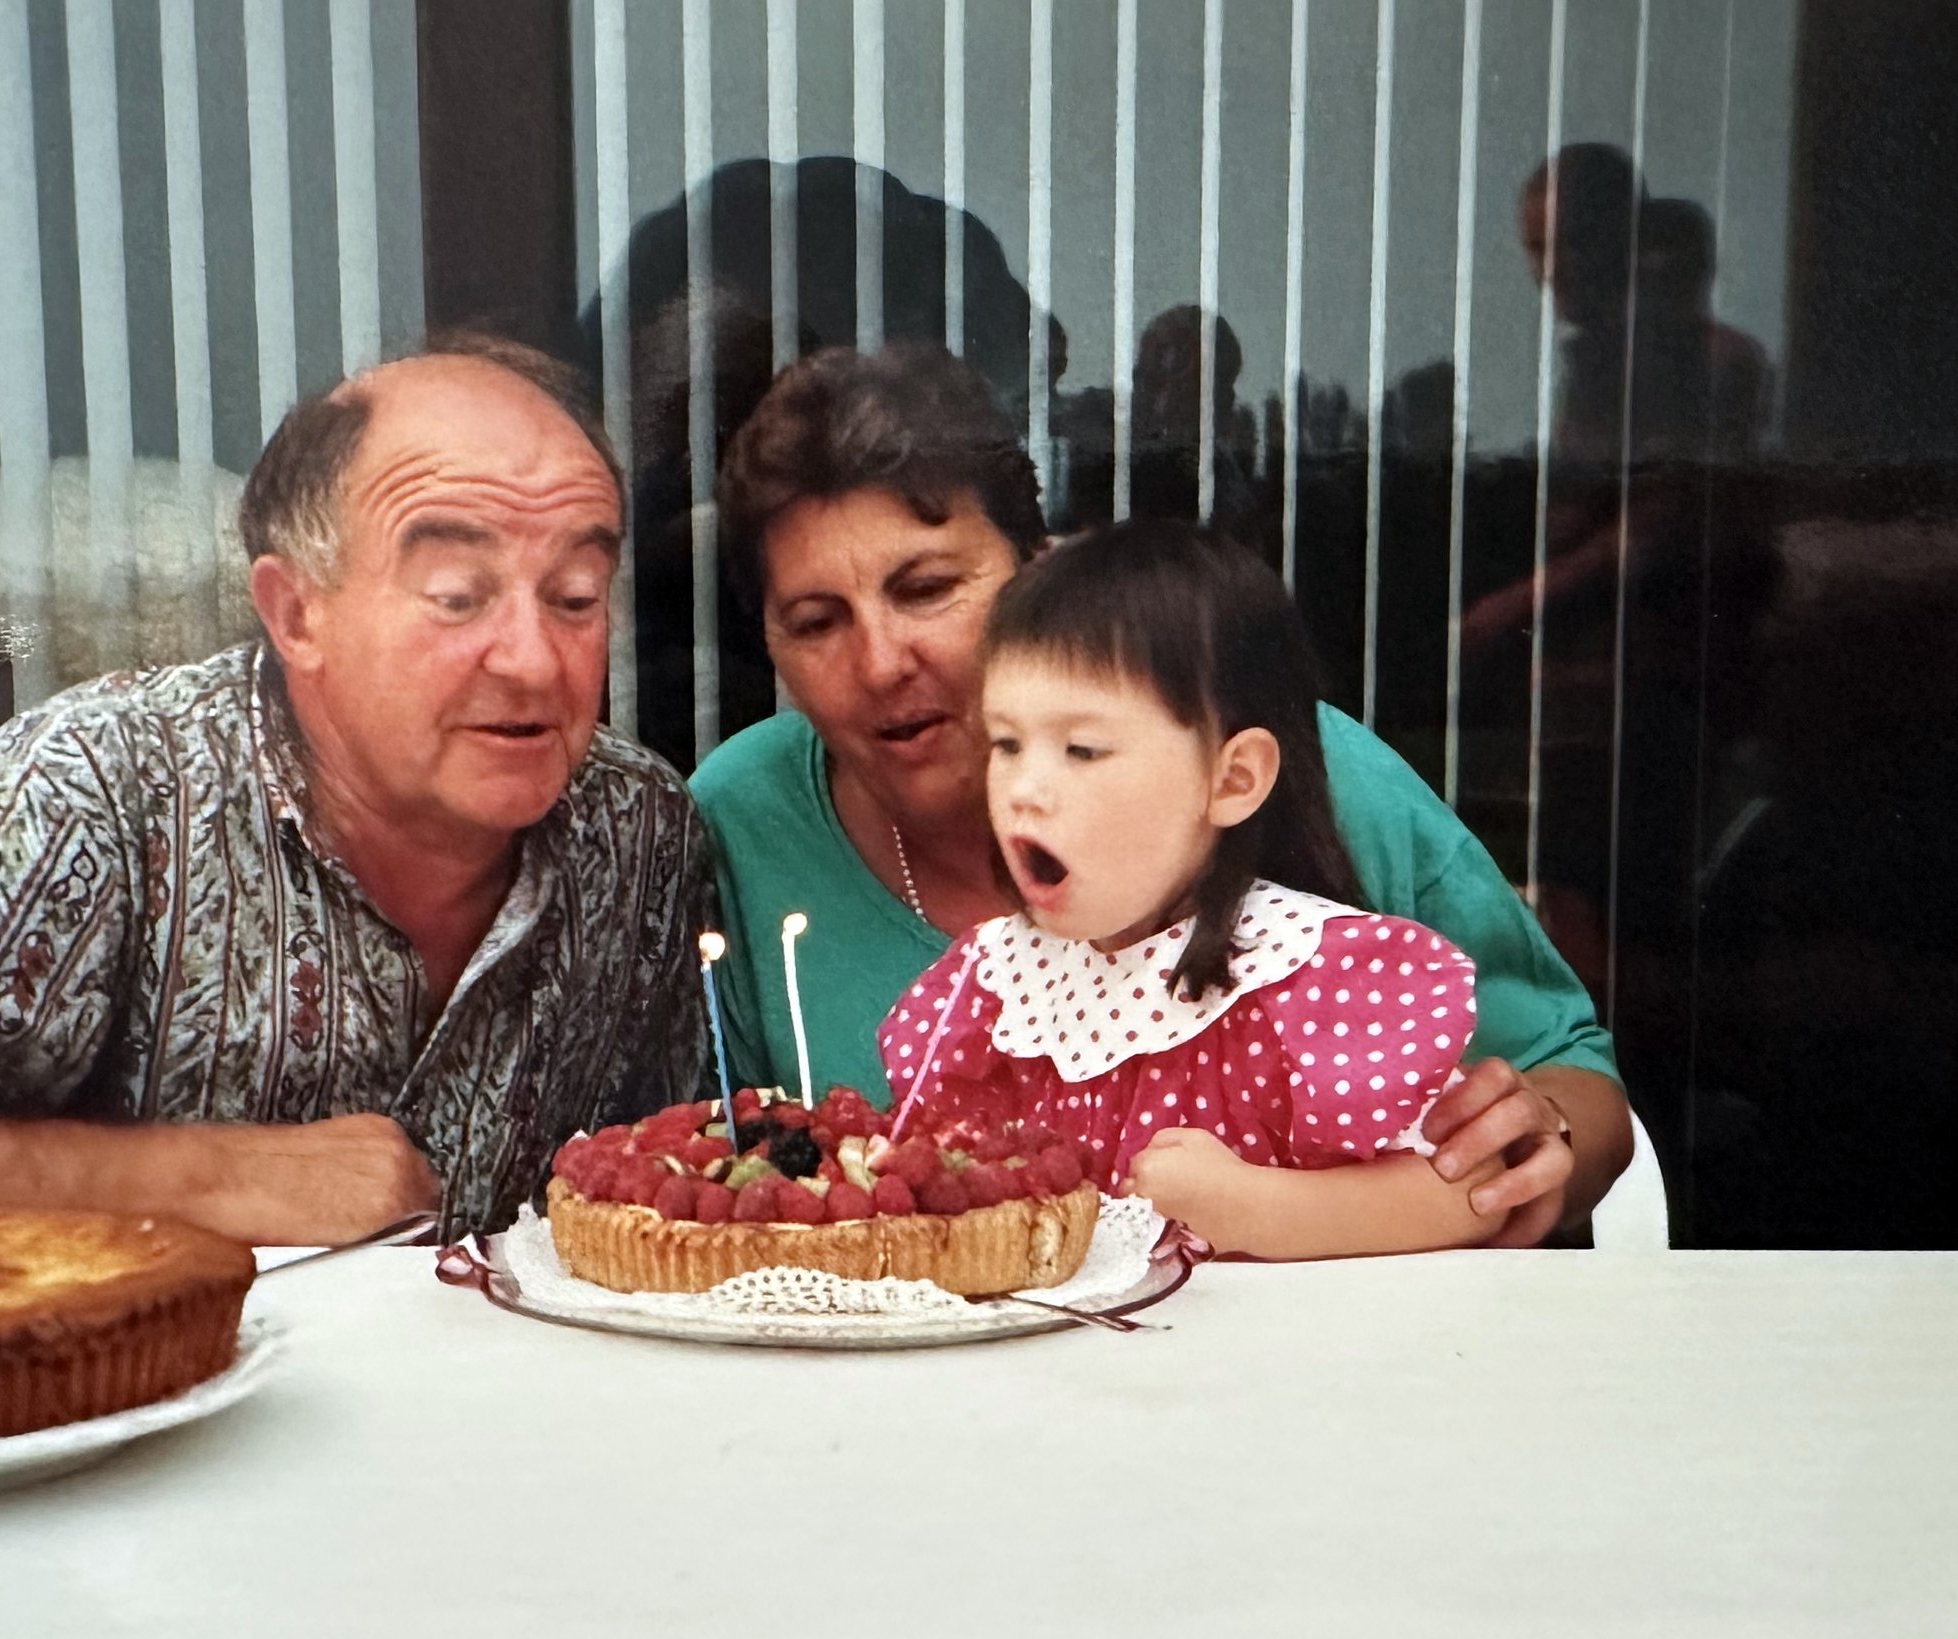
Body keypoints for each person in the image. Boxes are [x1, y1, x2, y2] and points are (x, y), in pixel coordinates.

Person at [0, 335, 713, 1263]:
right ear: (295, 614)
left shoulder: (636, 831)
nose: (533, 658)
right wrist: (200, 1173)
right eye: (456, 596)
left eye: (575, 596)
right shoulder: (97, 793)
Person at [692, 344, 1632, 1246]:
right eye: (816, 622)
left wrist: (1528, 1145)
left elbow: (1581, 1083)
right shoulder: (740, 818)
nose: (881, 662)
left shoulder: (1289, 763)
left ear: (1040, 570)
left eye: (930, 588)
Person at [881, 522, 1500, 1258]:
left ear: (1232, 779)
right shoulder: (997, 993)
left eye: (1082, 749)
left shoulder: (1302, 977)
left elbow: (1469, 1192)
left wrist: (1266, 1208)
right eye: (1007, 744)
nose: (1025, 789)